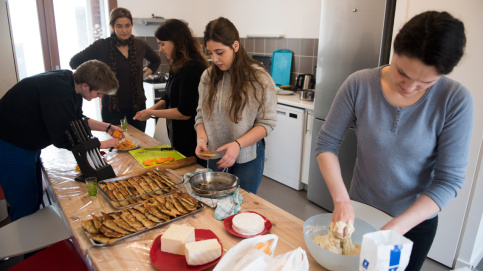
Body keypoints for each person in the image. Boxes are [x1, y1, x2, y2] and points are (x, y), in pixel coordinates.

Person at [315, 11, 472, 270]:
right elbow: (326, 144)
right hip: (359, 212)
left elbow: (449, 180)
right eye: (402, 73)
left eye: (425, 83)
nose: (409, 87)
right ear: (395, 44)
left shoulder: (455, 100)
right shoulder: (359, 84)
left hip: (413, 225)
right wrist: (342, 201)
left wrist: (397, 227)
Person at [0, 60, 125, 222]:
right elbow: (63, 137)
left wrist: (107, 127)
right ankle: (28, 245)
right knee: (25, 204)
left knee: (37, 196)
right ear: (86, 85)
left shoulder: (72, 84)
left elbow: (75, 119)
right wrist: (105, 144)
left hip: (27, 142)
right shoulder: (58, 92)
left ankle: (33, 237)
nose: (99, 97)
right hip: (11, 143)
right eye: (99, 93)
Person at [194, 17, 277, 194]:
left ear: (236, 46)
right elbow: (200, 115)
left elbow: (267, 123)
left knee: (242, 207)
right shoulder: (207, 77)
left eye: (220, 52)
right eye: (210, 53)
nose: (214, 59)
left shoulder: (259, 79)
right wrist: (201, 139)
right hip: (215, 154)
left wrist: (237, 145)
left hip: (248, 156)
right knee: (216, 202)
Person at [70, 7, 161, 132]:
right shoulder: (101, 45)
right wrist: (95, 78)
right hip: (111, 107)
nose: (124, 30)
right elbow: (74, 62)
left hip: (137, 105)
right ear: (112, 26)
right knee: (115, 143)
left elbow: (156, 60)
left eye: (127, 25)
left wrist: (144, 74)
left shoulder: (141, 45)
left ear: (131, 25)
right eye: (119, 26)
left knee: (140, 142)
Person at [133, 19, 208, 162]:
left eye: (162, 44)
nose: (161, 49)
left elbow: (184, 113)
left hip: (193, 139)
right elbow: (167, 98)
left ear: (176, 41)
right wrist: (149, 111)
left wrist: (151, 113)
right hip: (178, 137)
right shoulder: (177, 65)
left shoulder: (193, 68)